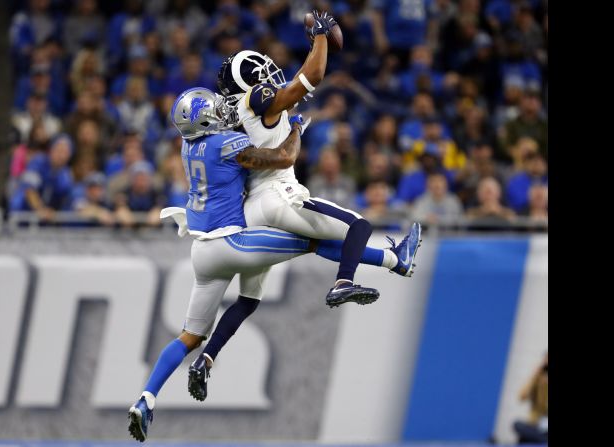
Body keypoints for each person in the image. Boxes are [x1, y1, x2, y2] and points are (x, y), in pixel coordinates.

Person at [128, 88, 421, 442]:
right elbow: (282, 158)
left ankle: (146, 398)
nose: (223, 112)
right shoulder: (226, 144)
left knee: (193, 334)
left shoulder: (188, 146)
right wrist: (294, 127)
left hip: (201, 253)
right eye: (215, 110)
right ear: (205, 120)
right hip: (233, 242)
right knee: (315, 240)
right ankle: (393, 261)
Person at [217, 11, 419, 308]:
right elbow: (309, 79)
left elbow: (296, 87)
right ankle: (344, 282)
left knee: (318, 245)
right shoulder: (256, 98)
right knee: (358, 227)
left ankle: (394, 260)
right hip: (277, 195)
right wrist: (321, 36)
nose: (269, 77)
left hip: (251, 208)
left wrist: (314, 48)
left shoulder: (235, 115)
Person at [513, 352, 548, 444]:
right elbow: (522, 396)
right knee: (517, 425)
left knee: (525, 439)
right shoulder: (537, 379)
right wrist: (536, 375)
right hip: (535, 426)